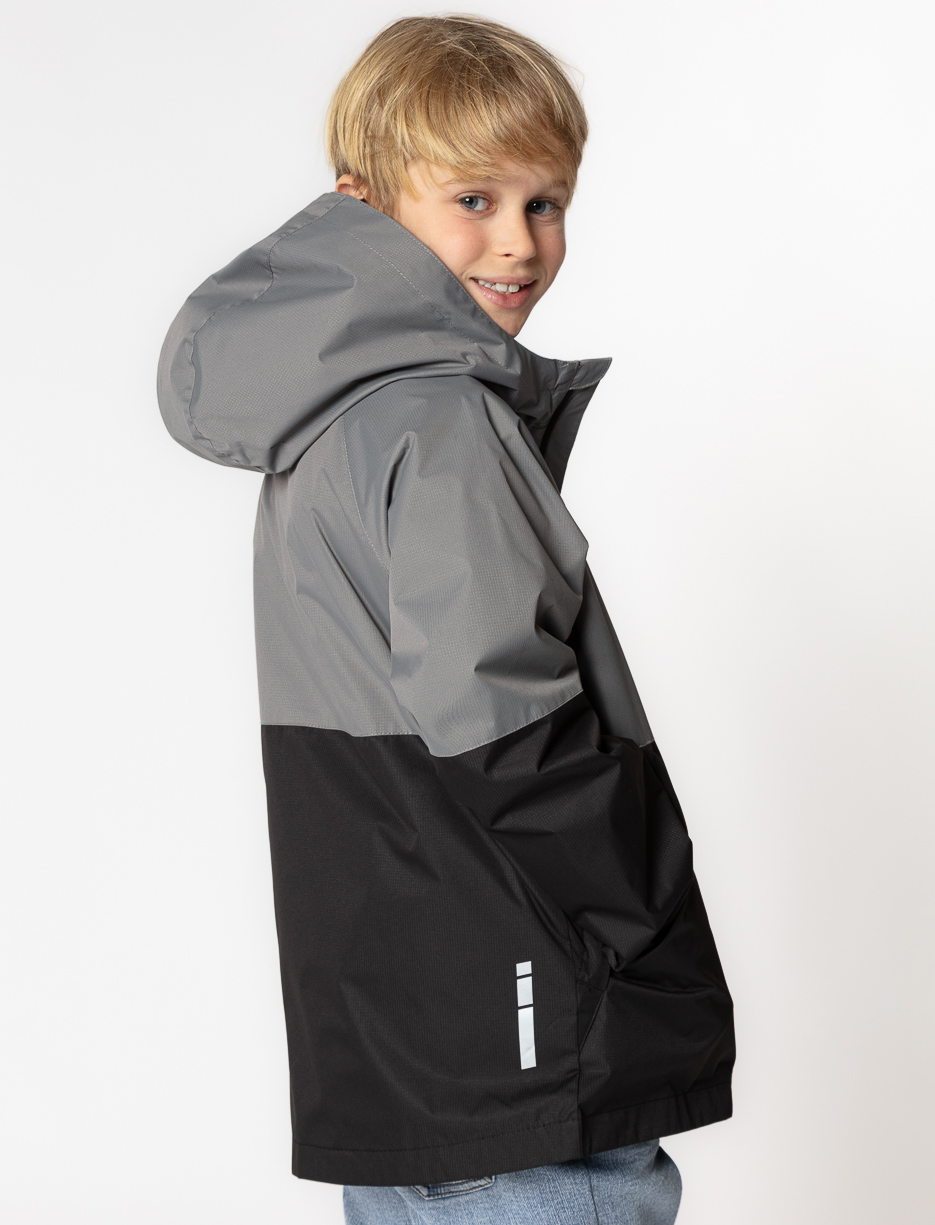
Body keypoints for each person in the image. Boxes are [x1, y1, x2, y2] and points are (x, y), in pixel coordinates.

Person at [157, 14, 734, 1224]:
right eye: (473, 198)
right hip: (523, 1041)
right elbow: (505, 729)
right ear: (361, 206)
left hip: (406, 1048)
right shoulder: (438, 421)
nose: (517, 241)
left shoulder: (328, 419)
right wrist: (641, 923)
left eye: (544, 202)